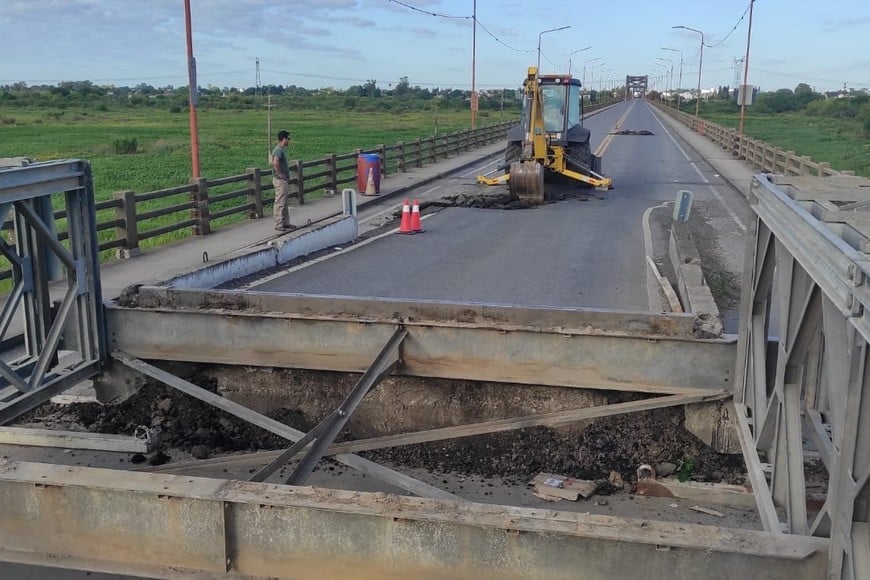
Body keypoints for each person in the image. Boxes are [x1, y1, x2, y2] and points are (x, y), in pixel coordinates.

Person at [271, 130, 295, 231]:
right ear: (284, 139)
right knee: (280, 201)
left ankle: (285, 222)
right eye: (288, 138)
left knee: (284, 202)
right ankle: (279, 223)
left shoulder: (282, 150)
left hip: (283, 180)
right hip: (280, 180)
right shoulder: (278, 150)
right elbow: (275, 162)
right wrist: (280, 174)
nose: (289, 141)